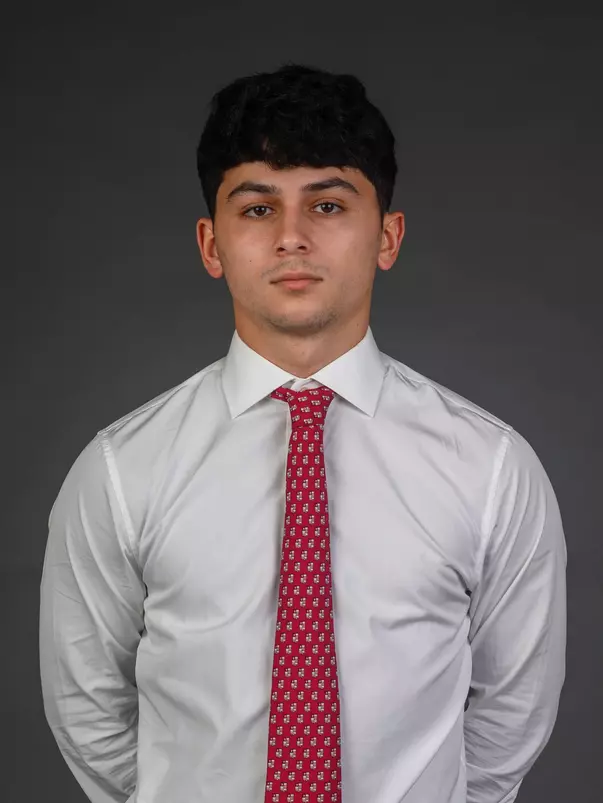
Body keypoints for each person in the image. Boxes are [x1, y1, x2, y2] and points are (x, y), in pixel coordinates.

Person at [39, 63, 567, 803]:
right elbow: (85, 703)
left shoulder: (490, 467)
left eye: (326, 204)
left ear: (387, 235)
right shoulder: (122, 469)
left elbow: (514, 708)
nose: (290, 237)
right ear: (210, 243)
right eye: (256, 209)